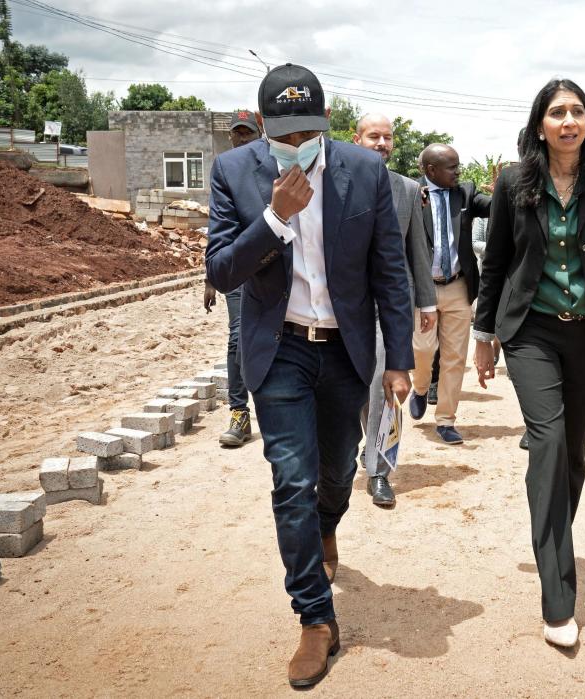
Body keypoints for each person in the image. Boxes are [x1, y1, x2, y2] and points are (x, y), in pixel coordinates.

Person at [205, 63, 413, 687]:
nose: (297, 145)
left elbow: (390, 275)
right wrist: (273, 219)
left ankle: (325, 529)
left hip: (346, 350)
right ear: (264, 124)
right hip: (281, 349)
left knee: (336, 472)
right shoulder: (233, 172)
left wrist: (398, 359)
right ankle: (315, 617)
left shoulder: (365, 171)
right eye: (285, 133)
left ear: (326, 124)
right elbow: (219, 270)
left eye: (309, 132)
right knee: (291, 480)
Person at [472, 78, 585, 649]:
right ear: (540, 124)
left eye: (577, 111)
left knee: (572, 456)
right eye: (557, 113)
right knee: (547, 441)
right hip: (530, 331)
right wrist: (484, 332)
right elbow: (497, 259)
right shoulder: (512, 181)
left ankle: (553, 533)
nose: (568, 121)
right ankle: (558, 596)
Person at [354, 112, 438, 507]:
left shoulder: (407, 190)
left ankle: (380, 469)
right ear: (357, 140)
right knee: (354, 385)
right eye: (374, 136)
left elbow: (416, 249)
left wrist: (426, 301)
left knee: (385, 383)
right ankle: (365, 446)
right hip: (346, 304)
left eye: (387, 138)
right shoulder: (338, 183)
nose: (382, 144)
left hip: (392, 305)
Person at [409, 143, 491, 444]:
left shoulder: (465, 192)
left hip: (458, 286)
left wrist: (507, 191)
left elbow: (494, 206)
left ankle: (445, 420)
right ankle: (419, 387)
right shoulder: (411, 192)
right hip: (424, 288)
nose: (459, 172)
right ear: (431, 170)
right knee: (422, 349)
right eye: (452, 167)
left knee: (455, 357)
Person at [203, 109, 263, 447]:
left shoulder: (270, 165)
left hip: (271, 267)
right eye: (237, 133)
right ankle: (239, 413)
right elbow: (217, 229)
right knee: (237, 337)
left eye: (247, 133)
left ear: (259, 134)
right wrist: (210, 278)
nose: (242, 139)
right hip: (238, 269)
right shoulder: (224, 170)